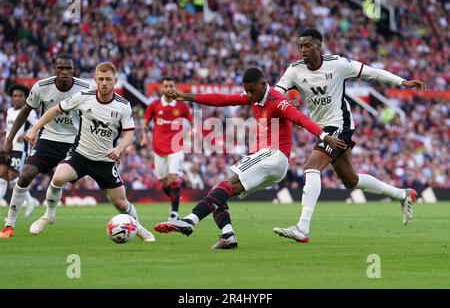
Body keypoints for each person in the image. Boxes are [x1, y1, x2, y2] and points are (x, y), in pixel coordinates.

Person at [153, 67, 347, 249]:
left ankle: (190, 221)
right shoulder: (254, 96)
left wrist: (324, 136)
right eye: (247, 91)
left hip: (273, 154)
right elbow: (223, 99)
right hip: (274, 165)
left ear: (263, 84)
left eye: (252, 90)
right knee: (220, 192)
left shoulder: (277, 100)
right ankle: (227, 234)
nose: (249, 95)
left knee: (226, 184)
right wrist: (187, 96)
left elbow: (300, 119)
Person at [273, 28, 427, 242]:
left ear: (319, 46)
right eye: (300, 46)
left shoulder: (338, 65)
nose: (303, 50)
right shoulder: (294, 71)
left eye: (307, 45)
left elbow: (372, 72)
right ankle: (403, 194)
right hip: (320, 128)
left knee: (311, 167)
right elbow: (276, 92)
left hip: (340, 124)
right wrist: (286, 101)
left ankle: (302, 228)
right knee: (351, 181)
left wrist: (403, 82)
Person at [24, 62, 155, 242]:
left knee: (121, 203)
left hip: (104, 160)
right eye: (100, 79)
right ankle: (48, 215)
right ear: (95, 80)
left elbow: (129, 135)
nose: (104, 83)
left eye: (108, 79)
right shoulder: (84, 96)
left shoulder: (123, 105)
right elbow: (55, 109)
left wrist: (119, 149)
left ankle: (138, 228)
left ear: (115, 81)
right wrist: (34, 129)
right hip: (80, 155)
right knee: (59, 176)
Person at [0, 54, 90, 238]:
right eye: (61, 68)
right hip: (48, 139)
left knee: (64, 178)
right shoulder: (42, 86)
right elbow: (25, 111)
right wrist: (9, 139)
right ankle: (9, 225)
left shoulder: (85, 88)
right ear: (54, 69)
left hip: (75, 141)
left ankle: (130, 219)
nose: (65, 72)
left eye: (68, 68)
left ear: (74, 70)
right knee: (25, 175)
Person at [140, 77, 193, 221]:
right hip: (158, 148)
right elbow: (145, 123)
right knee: (164, 182)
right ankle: (176, 199)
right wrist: (145, 136)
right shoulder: (154, 105)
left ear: (175, 87)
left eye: (171, 86)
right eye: (166, 86)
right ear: (162, 88)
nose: (168, 88)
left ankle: (174, 212)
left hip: (176, 147)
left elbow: (192, 121)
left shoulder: (182, 106)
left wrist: (191, 132)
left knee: (174, 178)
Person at [0, 84, 38, 217]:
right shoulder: (10, 111)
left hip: (20, 149)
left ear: (25, 98)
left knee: (12, 176)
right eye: (15, 96)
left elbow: (38, 126)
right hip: (7, 148)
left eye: (20, 96)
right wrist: (4, 132)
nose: (17, 98)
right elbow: (11, 128)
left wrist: (27, 133)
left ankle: (30, 201)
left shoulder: (30, 112)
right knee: (2, 176)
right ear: (11, 98)